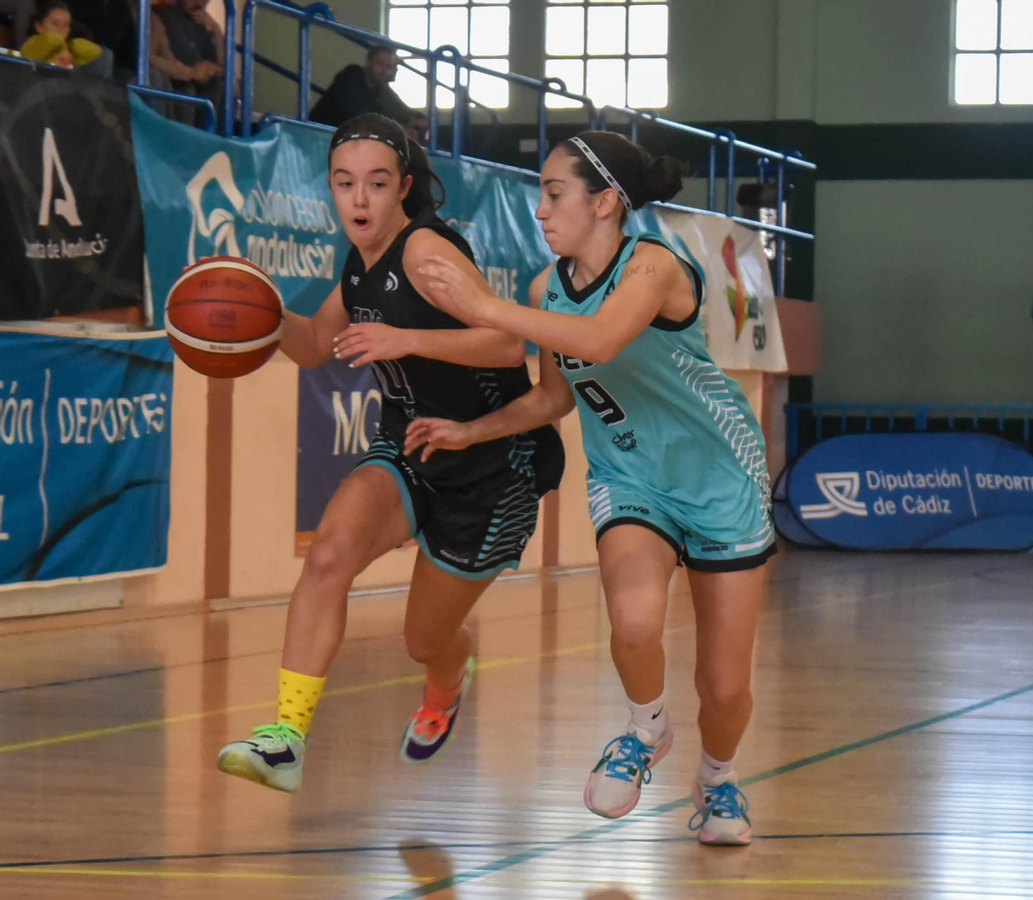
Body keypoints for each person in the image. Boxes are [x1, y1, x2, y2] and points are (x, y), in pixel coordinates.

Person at [409, 131, 773, 846]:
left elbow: (601, 340)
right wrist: (470, 429)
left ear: (605, 201)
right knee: (634, 624)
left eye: (553, 192)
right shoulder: (547, 290)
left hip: (720, 476)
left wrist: (483, 307)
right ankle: (647, 730)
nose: (539, 209)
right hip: (630, 476)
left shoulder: (655, 267)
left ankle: (721, 779)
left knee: (725, 687)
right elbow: (554, 397)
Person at [215, 113, 564, 793]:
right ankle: (285, 738)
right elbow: (316, 344)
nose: (359, 199)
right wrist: (253, 307)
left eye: (376, 183)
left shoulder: (425, 253)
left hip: (495, 464)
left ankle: (444, 685)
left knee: (424, 641)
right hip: (409, 444)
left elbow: (504, 344)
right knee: (328, 554)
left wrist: (408, 341)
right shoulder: (359, 263)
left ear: (403, 186)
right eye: (344, 184)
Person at [311, 43, 413, 129]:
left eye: (389, 66)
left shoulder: (383, 91)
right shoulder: (351, 74)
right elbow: (356, 112)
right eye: (380, 64)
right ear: (368, 63)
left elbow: (404, 114)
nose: (385, 71)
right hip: (317, 133)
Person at [156, 0, 222, 115]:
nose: (199, 3)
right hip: (174, 76)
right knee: (189, 90)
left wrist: (217, 30)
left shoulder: (201, 25)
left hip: (193, 78)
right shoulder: (168, 15)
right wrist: (212, 69)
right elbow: (190, 60)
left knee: (224, 87)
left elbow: (223, 68)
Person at [19, 1, 110, 76]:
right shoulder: (33, 42)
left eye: (66, 25)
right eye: (55, 23)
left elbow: (96, 51)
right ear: (39, 26)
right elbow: (50, 41)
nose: (61, 29)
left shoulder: (69, 48)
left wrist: (73, 46)